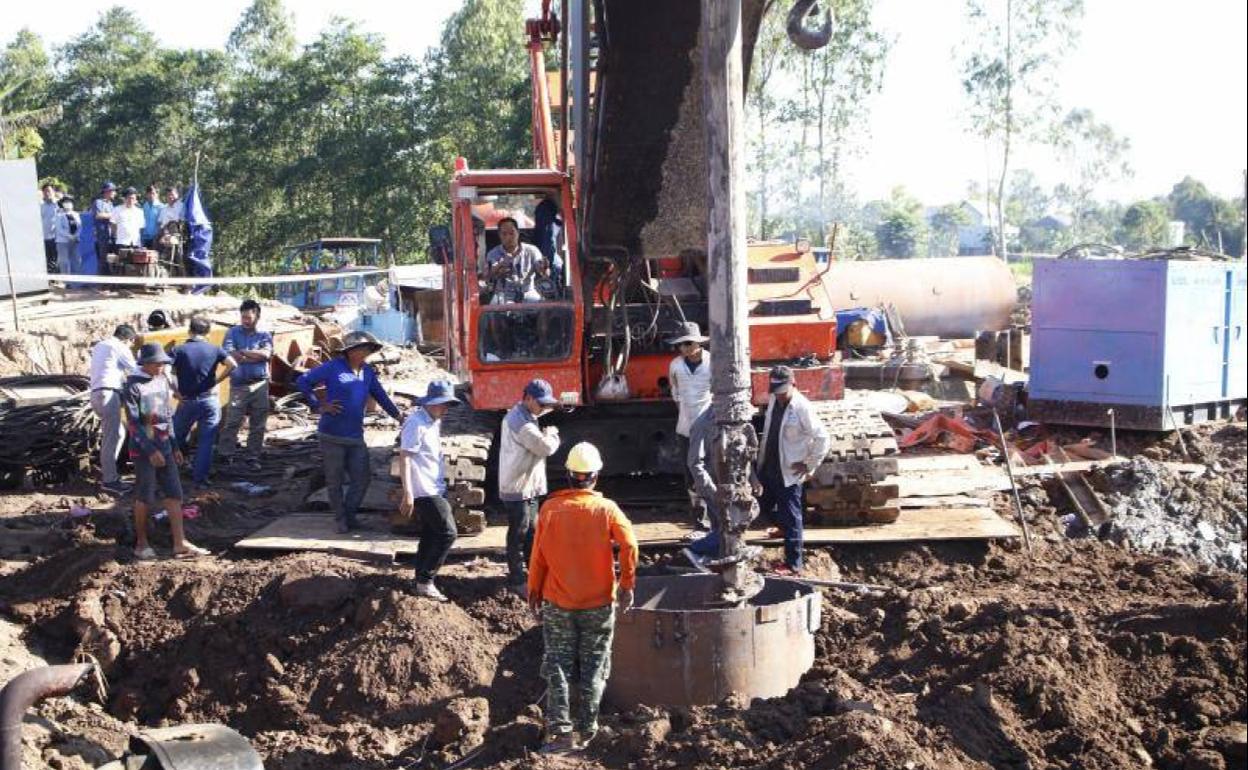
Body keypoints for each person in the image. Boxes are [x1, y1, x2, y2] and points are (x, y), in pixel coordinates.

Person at [527, 442, 638, 754]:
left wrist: (534, 591)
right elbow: (630, 544)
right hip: (598, 604)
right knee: (595, 665)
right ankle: (587, 731)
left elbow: (538, 557)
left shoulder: (550, 509)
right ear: (595, 476)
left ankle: (560, 733)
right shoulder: (607, 509)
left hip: (558, 604)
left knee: (558, 666)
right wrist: (627, 583)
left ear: (569, 476)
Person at [296, 331, 403, 534]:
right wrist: (320, 405)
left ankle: (350, 514)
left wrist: (398, 416)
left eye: (368, 349)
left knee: (362, 479)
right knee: (334, 480)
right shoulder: (333, 367)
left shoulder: (367, 372)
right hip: (331, 435)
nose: (365, 352)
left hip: (355, 436)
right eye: (362, 349)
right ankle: (340, 519)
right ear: (349, 351)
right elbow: (303, 381)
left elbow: (380, 395)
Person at [123, 342, 210, 561]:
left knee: (174, 494)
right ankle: (141, 544)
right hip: (144, 450)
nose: (161, 367)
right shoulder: (133, 386)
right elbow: (134, 424)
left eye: (163, 363)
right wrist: (150, 450)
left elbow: (167, 416)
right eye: (157, 364)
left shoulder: (162, 382)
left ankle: (179, 543)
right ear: (146, 363)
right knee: (145, 494)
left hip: (164, 445)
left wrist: (174, 446)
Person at [756, 365, 831, 576]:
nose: (779, 396)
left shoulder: (801, 408)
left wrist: (809, 464)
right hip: (770, 464)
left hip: (788, 470)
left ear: (793, 385)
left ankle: (793, 564)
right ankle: (782, 527)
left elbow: (823, 437)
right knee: (762, 504)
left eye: (782, 391)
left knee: (792, 515)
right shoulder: (774, 400)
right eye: (776, 391)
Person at [398, 381, 461, 602]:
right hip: (424, 489)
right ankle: (425, 580)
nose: (446, 409)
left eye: (448, 405)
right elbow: (405, 457)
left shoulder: (433, 421)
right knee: (447, 532)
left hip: (435, 486)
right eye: (443, 405)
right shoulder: (415, 423)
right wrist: (408, 493)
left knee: (431, 533)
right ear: (431, 403)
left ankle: (419, 579)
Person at [499, 379, 561, 596]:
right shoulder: (521, 422)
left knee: (531, 533)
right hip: (518, 487)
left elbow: (535, 416)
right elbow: (544, 447)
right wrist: (552, 433)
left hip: (527, 486)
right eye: (541, 403)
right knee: (519, 533)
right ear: (528, 398)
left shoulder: (523, 413)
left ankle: (533, 573)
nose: (543, 408)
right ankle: (517, 578)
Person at [171, 317, 237, 489]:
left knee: (175, 438)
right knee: (206, 441)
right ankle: (200, 479)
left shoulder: (179, 350)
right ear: (208, 333)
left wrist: (175, 391)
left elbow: (163, 370)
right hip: (209, 401)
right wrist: (218, 381)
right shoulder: (215, 349)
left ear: (189, 331)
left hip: (187, 401)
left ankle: (170, 476)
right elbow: (233, 364)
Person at [218, 299, 274, 471]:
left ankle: (253, 456)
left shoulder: (264, 334)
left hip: (260, 385)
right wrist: (250, 355)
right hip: (238, 385)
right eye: (243, 317)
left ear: (257, 317)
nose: (245, 321)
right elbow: (230, 355)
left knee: (258, 423)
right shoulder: (232, 333)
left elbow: (265, 355)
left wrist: (242, 352)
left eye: (249, 317)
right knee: (232, 421)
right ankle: (226, 455)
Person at [666, 321, 712, 528]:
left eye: (687, 344)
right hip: (685, 426)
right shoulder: (675, 365)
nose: (683, 348)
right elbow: (675, 393)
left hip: (708, 426)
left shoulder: (713, 363)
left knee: (710, 471)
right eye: (681, 344)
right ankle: (699, 520)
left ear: (697, 344)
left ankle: (713, 517)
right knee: (690, 474)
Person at [89, 324, 138, 495]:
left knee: (118, 433)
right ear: (129, 339)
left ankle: (109, 472)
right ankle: (109, 481)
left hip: (97, 394)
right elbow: (135, 370)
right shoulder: (119, 346)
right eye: (132, 343)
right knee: (111, 437)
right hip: (108, 394)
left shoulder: (100, 346)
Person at [482, 217, 545, 304]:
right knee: (492, 309)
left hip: (528, 293)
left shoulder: (532, 250)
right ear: (499, 235)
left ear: (518, 233)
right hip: (502, 294)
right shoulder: (493, 254)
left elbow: (543, 271)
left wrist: (543, 268)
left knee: (543, 306)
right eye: (504, 234)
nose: (509, 237)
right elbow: (488, 275)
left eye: (512, 233)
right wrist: (498, 268)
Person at [90, 182, 117, 275]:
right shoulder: (98, 202)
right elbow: (98, 215)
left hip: (110, 235)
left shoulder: (111, 204)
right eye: (113, 191)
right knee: (103, 259)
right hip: (102, 235)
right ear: (107, 191)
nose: (115, 193)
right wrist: (114, 215)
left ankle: (109, 283)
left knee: (110, 259)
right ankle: (102, 284)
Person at [53, 196, 81, 277]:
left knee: (77, 260)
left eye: (69, 202)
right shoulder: (59, 215)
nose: (68, 204)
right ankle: (66, 281)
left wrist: (76, 235)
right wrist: (69, 236)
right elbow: (59, 229)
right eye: (65, 202)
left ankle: (76, 281)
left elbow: (80, 226)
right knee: (64, 261)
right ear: (62, 204)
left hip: (75, 241)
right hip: (62, 241)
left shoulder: (76, 214)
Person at [40, 184, 60, 272]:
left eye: (49, 191)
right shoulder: (41, 206)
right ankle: (51, 280)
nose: (47, 193)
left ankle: (59, 278)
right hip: (44, 237)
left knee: (57, 259)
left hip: (56, 237)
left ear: (54, 192)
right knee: (47, 260)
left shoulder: (59, 205)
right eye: (45, 191)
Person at [141, 185, 164, 249]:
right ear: (146, 195)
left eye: (153, 193)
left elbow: (162, 224)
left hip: (156, 238)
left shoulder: (162, 207)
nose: (151, 195)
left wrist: (158, 236)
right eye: (149, 193)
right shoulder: (144, 206)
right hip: (144, 238)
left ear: (157, 194)